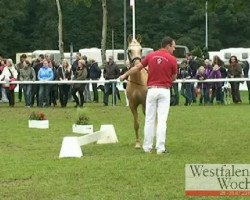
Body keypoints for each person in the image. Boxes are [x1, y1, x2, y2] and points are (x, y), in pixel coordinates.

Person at [120, 36, 177, 154]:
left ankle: (147, 147)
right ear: (168, 46)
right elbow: (174, 77)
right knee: (161, 120)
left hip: (151, 90)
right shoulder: (172, 59)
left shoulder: (150, 56)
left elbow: (136, 68)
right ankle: (160, 148)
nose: (174, 49)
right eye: (173, 46)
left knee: (149, 120)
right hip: (164, 90)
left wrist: (124, 76)